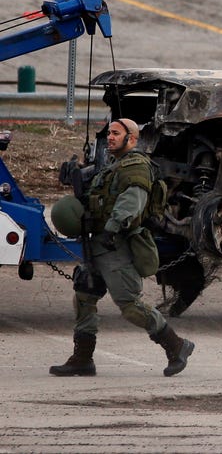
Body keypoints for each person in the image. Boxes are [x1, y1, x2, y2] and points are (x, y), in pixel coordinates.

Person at [50, 118, 194, 377]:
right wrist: (74, 177)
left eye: (117, 133)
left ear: (133, 139)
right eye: (109, 134)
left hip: (116, 244)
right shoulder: (112, 167)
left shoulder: (136, 166)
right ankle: (82, 358)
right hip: (98, 243)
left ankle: (177, 345)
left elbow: (131, 203)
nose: (111, 138)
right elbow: (97, 200)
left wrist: (112, 229)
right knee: (84, 297)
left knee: (130, 305)